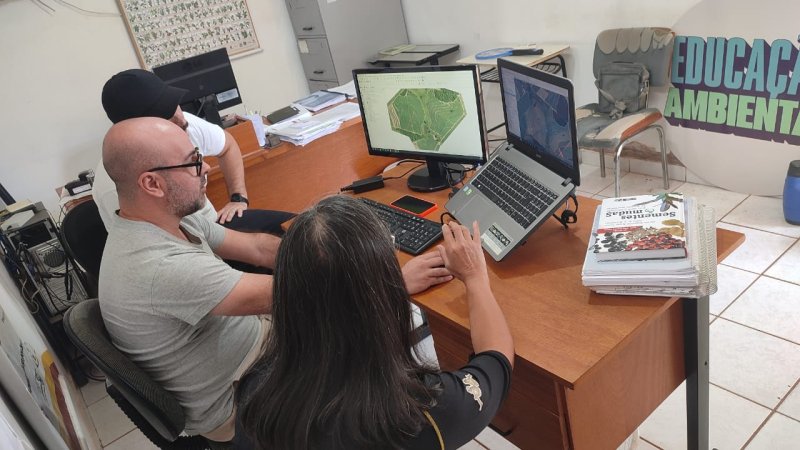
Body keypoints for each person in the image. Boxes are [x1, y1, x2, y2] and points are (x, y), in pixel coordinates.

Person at [98, 118, 453, 442]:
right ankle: (431, 424)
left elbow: (256, 247)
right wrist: (388, 281)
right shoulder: (158, 267)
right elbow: (294, 296)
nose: (205, 166)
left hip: (253, 350)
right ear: (152, 183)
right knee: (395, 316)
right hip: (239, 402)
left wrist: (331, 244)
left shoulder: (168, 219)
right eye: (193, 160)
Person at [235, 195, 514, 450]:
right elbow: (496, 362)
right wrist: (475, 276)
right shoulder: (421, 412)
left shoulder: (255, 392)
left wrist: (389, 287)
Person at [92, 68, 294, 234]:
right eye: (165, 115)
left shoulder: (182, 122)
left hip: (214, 232)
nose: (180, 118)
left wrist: (238, 198)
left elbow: (228, 145)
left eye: (174, 104)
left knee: (299, 231)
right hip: (189, 251)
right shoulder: (117, 183)